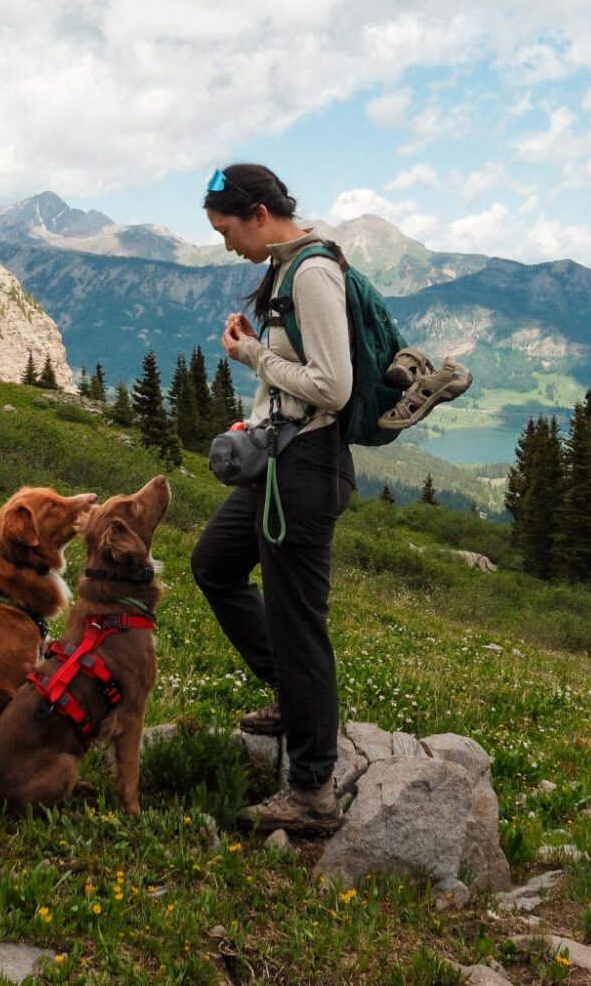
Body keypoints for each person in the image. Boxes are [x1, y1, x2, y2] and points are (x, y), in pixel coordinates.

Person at [190, 162, 356, 835]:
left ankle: (313, 787)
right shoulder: (285, 269)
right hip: (279, 453)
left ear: (259, 213)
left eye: (227, 229)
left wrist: (255, 357)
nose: (226, 243)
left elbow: (333, 385)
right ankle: (292, 695)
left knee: (298, 621)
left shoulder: (312, 272)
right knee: (215, 563)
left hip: (306, 470)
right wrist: (256, 417)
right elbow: (297, 381)